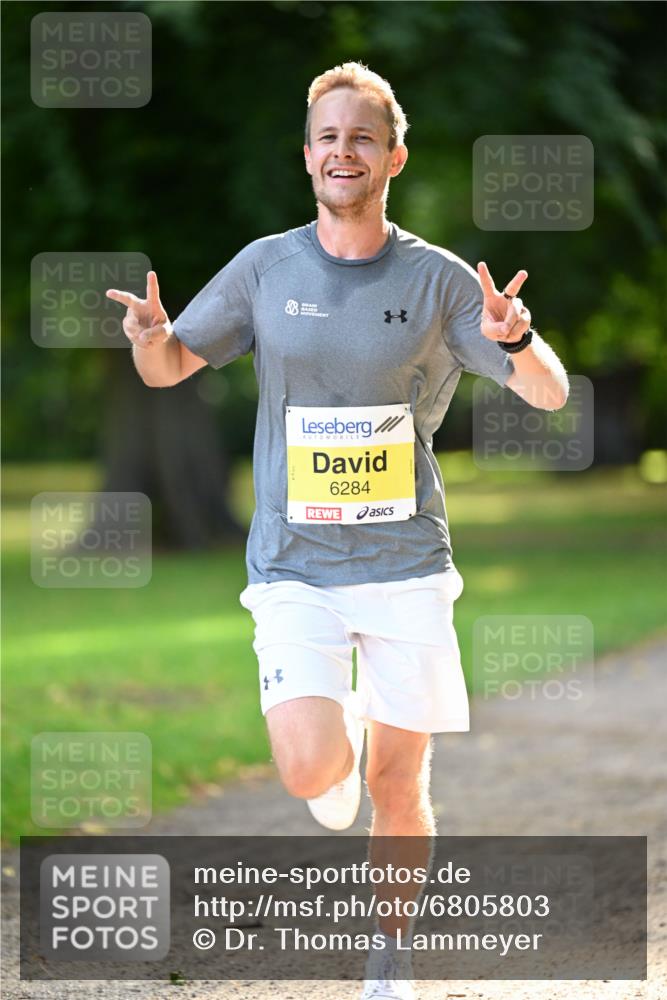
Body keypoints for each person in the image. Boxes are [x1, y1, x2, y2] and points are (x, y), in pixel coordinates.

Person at [107, 61, 568, 1000]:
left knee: (400, 784)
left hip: (404, 562)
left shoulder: (441, 281)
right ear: (306, 156)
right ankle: (335, 730)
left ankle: (388, 962)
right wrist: (151, 340)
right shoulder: (265, 266)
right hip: (293, 565)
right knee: (315, 765)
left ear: (392, 156)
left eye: (361, 136)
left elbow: (550, 392)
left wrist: (516, 337)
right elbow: (168, 369)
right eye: (326, 137)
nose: (341, 151)